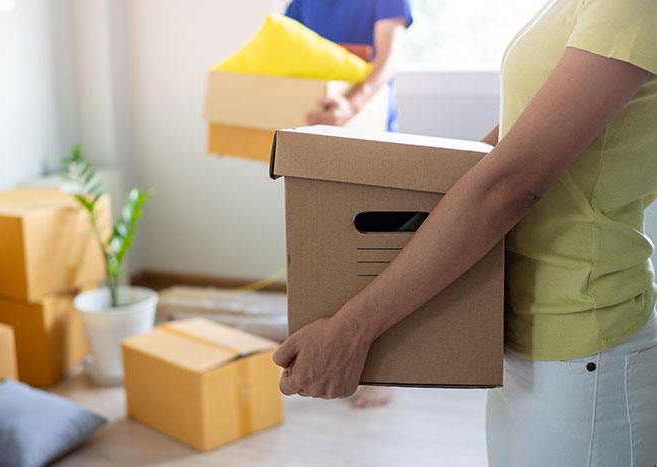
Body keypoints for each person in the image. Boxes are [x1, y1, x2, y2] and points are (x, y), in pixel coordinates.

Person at [274, 0, 657, 464]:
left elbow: (513, 184)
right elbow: (507, 145)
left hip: (584, 330)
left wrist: (353, 328)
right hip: (514, 325)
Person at [285, 0, 413, 409]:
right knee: (323, 251)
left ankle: (384, 371)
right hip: (317, 142)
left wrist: (351, 106)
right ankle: (323, 358)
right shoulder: (302, 3)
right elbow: (286, 61)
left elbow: (388, 59)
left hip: (373, 137)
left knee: (376, 255)